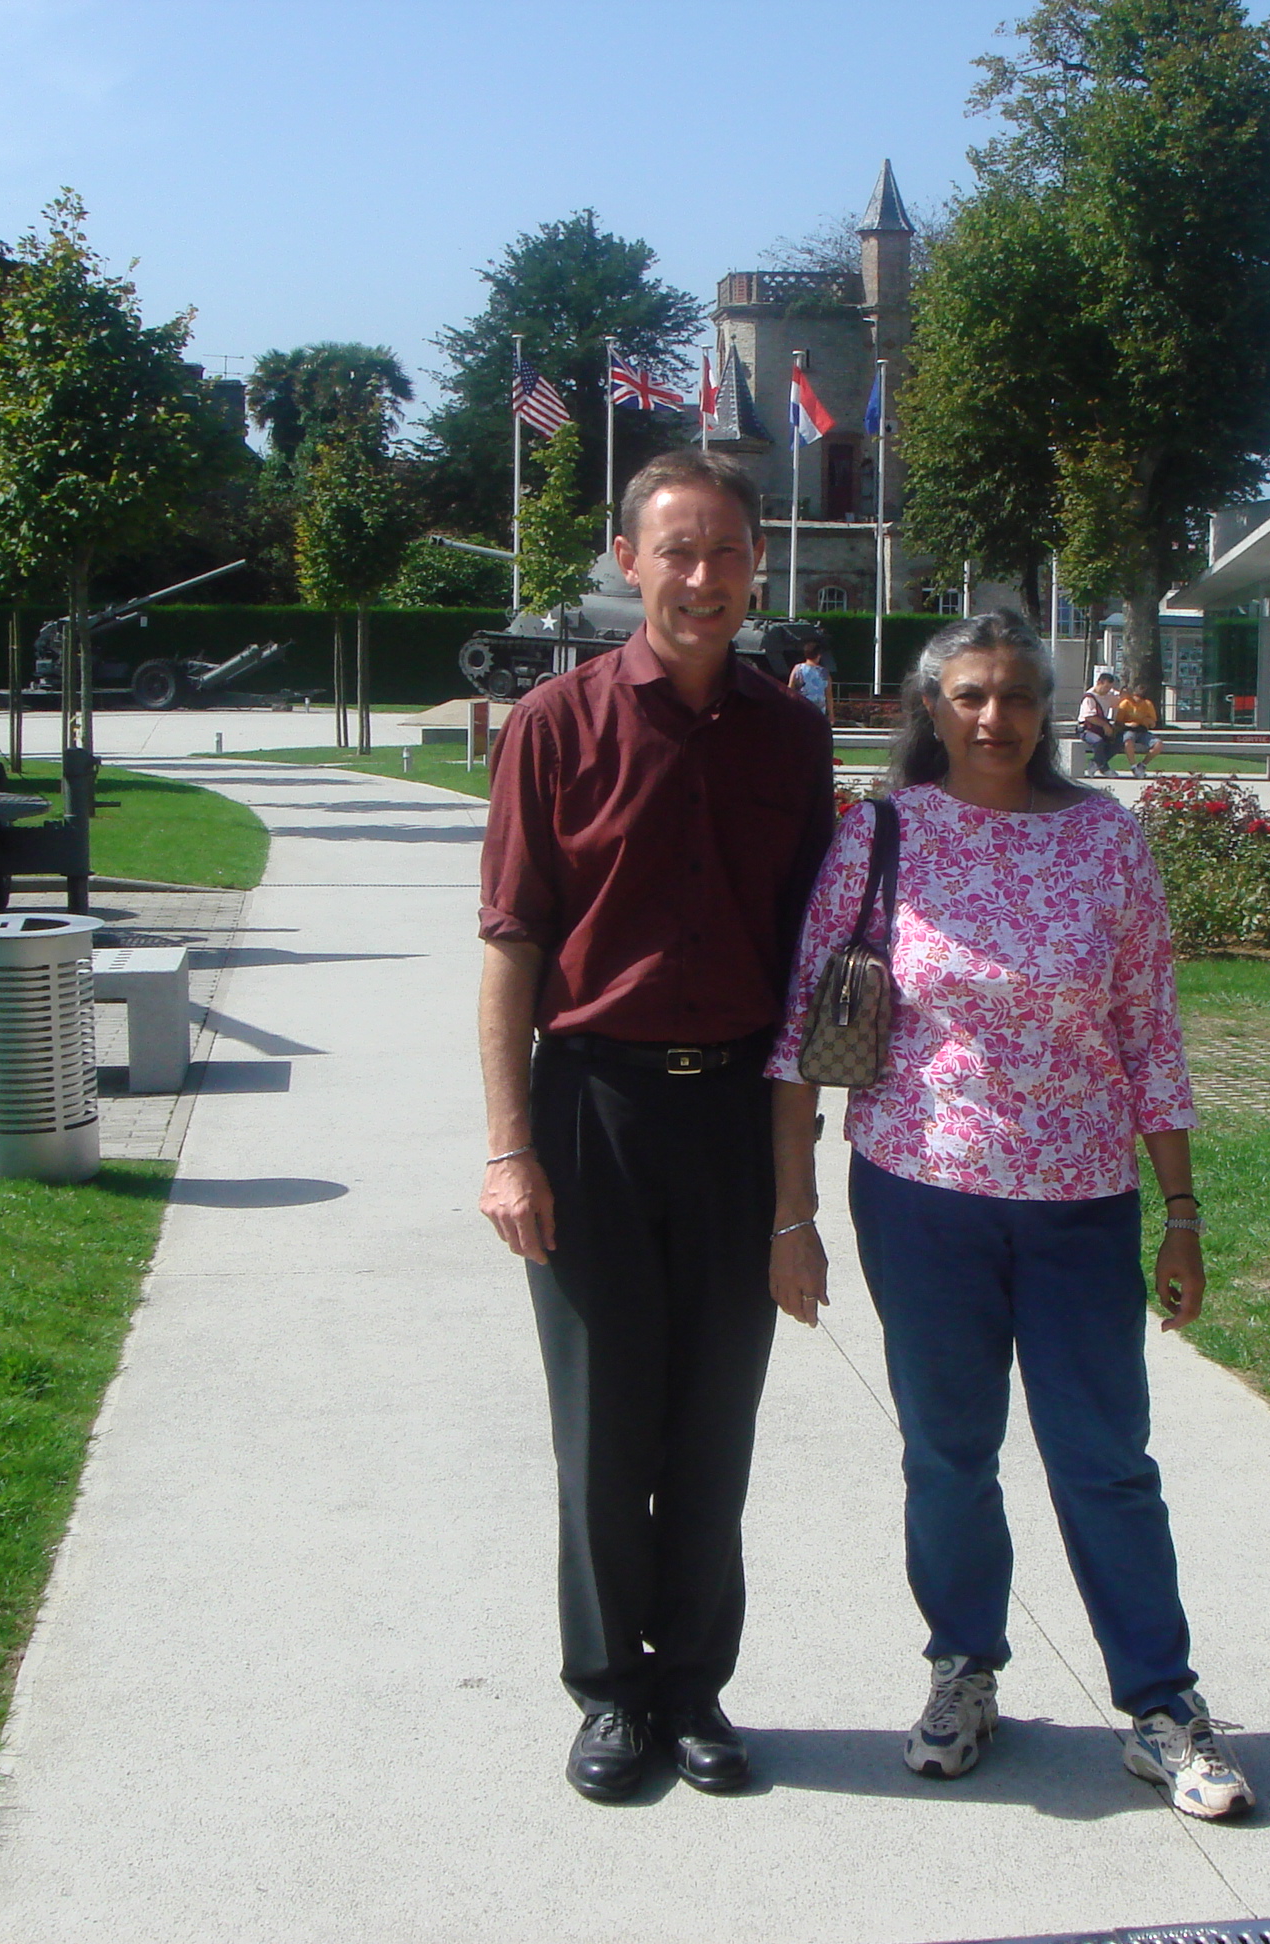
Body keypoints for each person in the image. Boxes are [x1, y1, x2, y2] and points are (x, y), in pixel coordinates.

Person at [763, 610, 1256, 1822]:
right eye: (970, 694)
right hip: (920, 1198)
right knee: (948, 1454)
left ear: (1051, 712)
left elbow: (1151, 1034)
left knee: (1107, 1462)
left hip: (1082, 1203)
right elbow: (797, 1043)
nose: (995, 718)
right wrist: (793, 1215)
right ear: (930, 708)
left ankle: (1160, 1704)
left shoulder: (1107, 843)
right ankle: (963, 1670)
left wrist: (1180, 1208)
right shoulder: (882, 835)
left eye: (1018, 696)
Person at [476, 448, 835, 1803]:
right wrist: (510, 1146)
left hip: (738, 1114)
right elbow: (513, 946)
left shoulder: (793, 739)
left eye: (728, 551)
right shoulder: (554, 728)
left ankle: (693, 1690)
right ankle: (608, 1694)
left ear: (756, 567)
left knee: (713, 1425)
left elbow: (812, 964)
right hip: (596, 1114)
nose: (703, 577)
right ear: (627, 563)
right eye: (676, 550)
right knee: (604, 1427)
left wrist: (799, 1193)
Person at [1077, 668, 1121, 775]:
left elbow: (1120, 700)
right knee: (1098, 742)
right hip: (1086, 729)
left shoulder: (1109, 695)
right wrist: (1105, 725)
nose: (1108, 690)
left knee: (1118, 743)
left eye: (1110, 688)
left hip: (1101, 728)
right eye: (1106, 687)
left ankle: (1095, 762)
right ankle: (1104, 768)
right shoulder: (1089, 697)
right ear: (1099, 683)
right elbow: (1089, 717)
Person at [1114, 680, 1160, 777]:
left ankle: (1142, 765)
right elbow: (1117, 722)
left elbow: (1153, 723)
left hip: (1142, 730)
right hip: (1129, 730)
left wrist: (1147, 721)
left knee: (1158, 744)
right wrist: (1128, 724)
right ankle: (1133, 766)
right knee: (1128, 741)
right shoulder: (1125, 703)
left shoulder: (1147, 704)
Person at [787, 633, 833, 717]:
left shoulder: (798, 669)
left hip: (802, 709)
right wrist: (831, 715)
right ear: (818, 655)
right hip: (819, 712)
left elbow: (790, 689)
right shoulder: (824, 673)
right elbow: (828, 695)